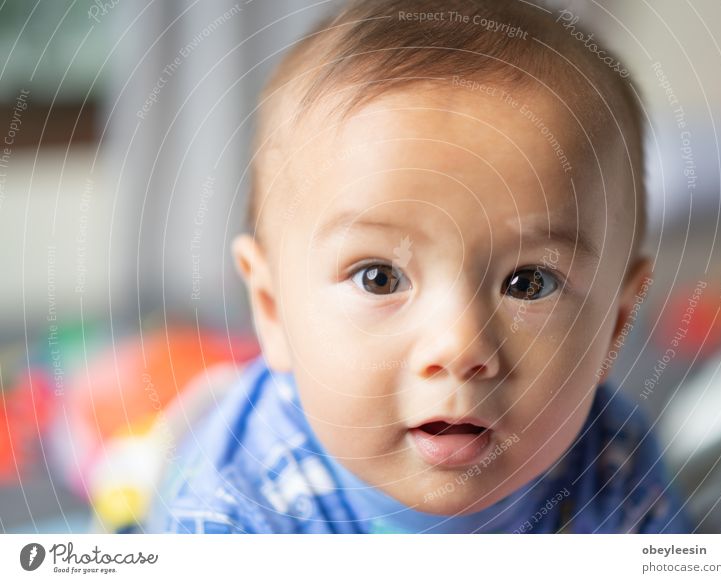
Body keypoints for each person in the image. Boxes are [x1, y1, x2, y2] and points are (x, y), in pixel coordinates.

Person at [148, 0, 691, 533]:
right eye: (379, 277)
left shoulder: (614, 472)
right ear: (271, 309)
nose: (459, 349)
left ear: (616, 324)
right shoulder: (233, 510)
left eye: (529, 283)